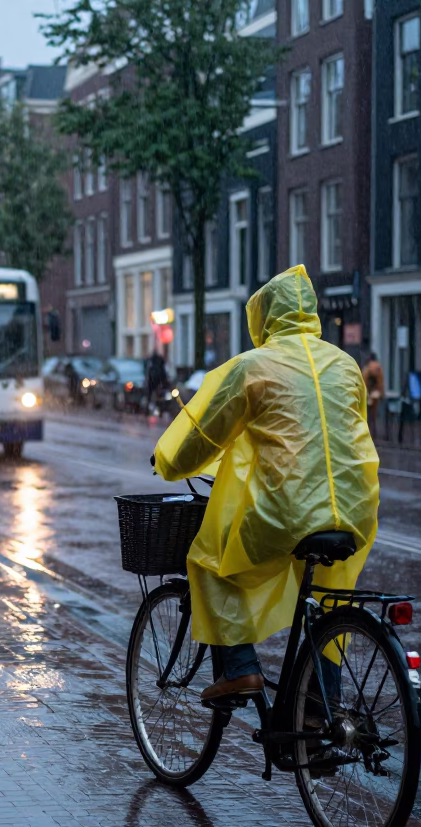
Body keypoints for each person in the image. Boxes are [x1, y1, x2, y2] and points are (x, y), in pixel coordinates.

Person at [152, 266, 379, 702]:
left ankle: (240, 669)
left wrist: (167, 460)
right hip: (354, 509)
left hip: (287, 510)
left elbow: (202, 435)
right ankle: (319, 706)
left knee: (209, 562)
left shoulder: (253, 368)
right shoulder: (346, 365)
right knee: (330, 599)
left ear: (264, 319)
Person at [361, 353, 384, 438]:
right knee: (374, 414)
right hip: (376, 393)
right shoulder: (379, 368)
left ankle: (367, 431)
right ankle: (374, 431)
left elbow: (364, 383)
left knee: (367, 413)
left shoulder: (367, 368)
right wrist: (382, 394)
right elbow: (381, 383)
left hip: (368, 393)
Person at [145, 350, 169, 415]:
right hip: (158, 381)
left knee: (150, 396)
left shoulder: (151, 363)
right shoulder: (159, 364)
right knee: (160, 396)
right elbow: (163, 374)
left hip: (153, 381)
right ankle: (160, 409)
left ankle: (150, 408)